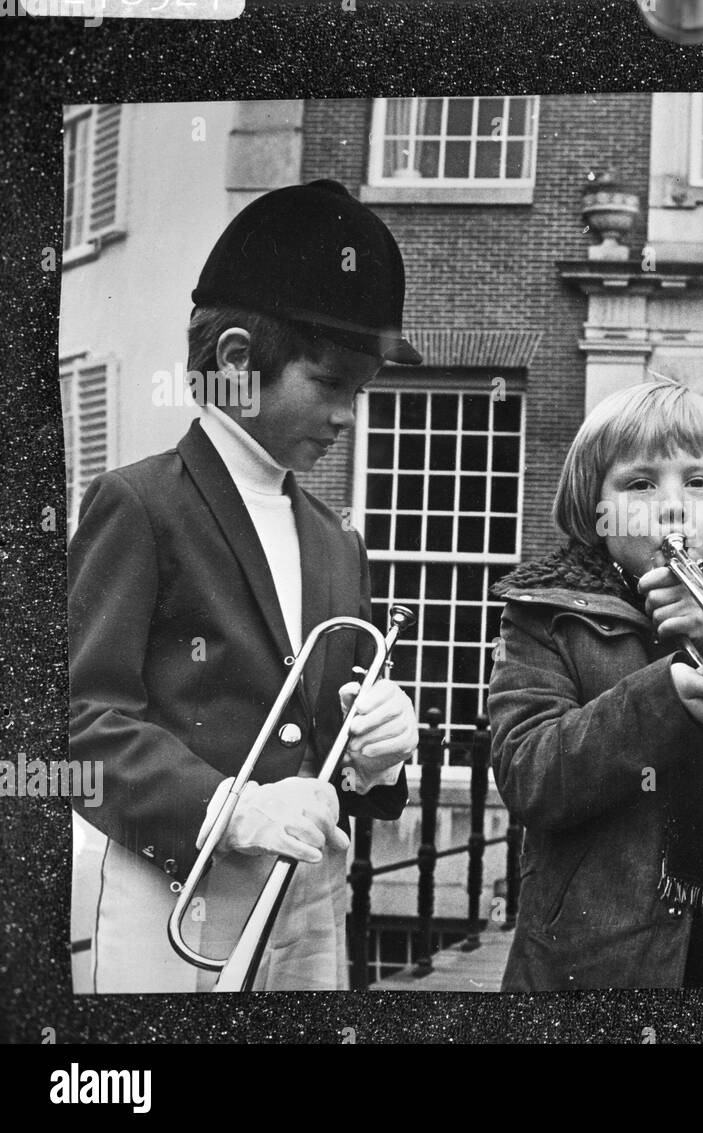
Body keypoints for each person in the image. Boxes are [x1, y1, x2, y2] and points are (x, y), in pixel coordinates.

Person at [70, 180, 422, 992]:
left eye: (359, 393)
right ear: (235, 360)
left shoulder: (337, 540)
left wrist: (382, 750)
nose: (348, 417)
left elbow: (328, 725)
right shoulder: (140, 501)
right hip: (176, 890)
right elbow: (80, 720)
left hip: (310, 890)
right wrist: (229, 807)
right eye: (331, 384)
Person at [487, 380, 703, 990]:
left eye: (699, 482)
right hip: (597, 955)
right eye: (640, 484)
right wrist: (664, 701)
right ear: (594, 510)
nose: (675, 507)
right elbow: (528, 774)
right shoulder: (545, 616)